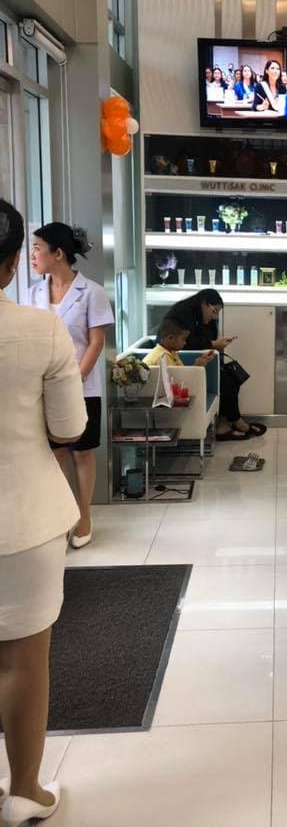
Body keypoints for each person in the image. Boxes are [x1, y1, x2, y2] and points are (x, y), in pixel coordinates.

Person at [0, 200, 87, 826]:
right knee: (23, 659)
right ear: (9, 264)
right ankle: (25, 790)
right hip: (22, 517)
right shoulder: (39, 330)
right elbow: (69, 428)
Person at [28, 223, 115, 549]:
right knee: (56, 453)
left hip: (82, 386)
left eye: (37, 248)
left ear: (58, 254)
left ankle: (85, 516)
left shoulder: (91, 292)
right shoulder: (33, 293)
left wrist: (74, 378)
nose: (32, 255)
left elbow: (95, 342)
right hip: (44, 387)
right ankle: (65, 516)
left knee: (81, 452)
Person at [166, 289, 266, 441]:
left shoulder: (200, 317)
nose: (214, 316)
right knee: (227, 383)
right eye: (213, 311)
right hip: (186, 363)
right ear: (204, 303)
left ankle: (227, 422)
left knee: (233, 378)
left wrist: (215, 344)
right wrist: (213, 344)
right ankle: (232, 423)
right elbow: (186, 344)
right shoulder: (183, 315)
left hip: (203, 362)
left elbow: (206, 340)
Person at [144, 315, 215, 368]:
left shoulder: (171, 352)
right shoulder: (163, 357)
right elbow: (176, 381)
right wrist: (197, 367)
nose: (185, 343)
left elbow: (181, 373)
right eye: (183, 339)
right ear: (170, 338)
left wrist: (197, 363)